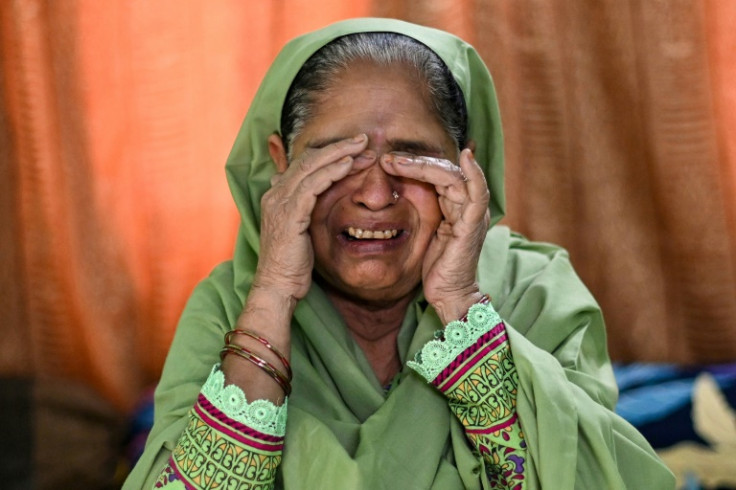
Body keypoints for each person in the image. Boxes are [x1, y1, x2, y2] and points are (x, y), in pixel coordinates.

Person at [124, 18, 675, 489]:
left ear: (466, 167)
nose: (374, 195)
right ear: (281, 166)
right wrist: (271, 298)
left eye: (411, 159)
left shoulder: (535, 289)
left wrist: (460, 304)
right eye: (338, 158)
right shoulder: (232, 304)